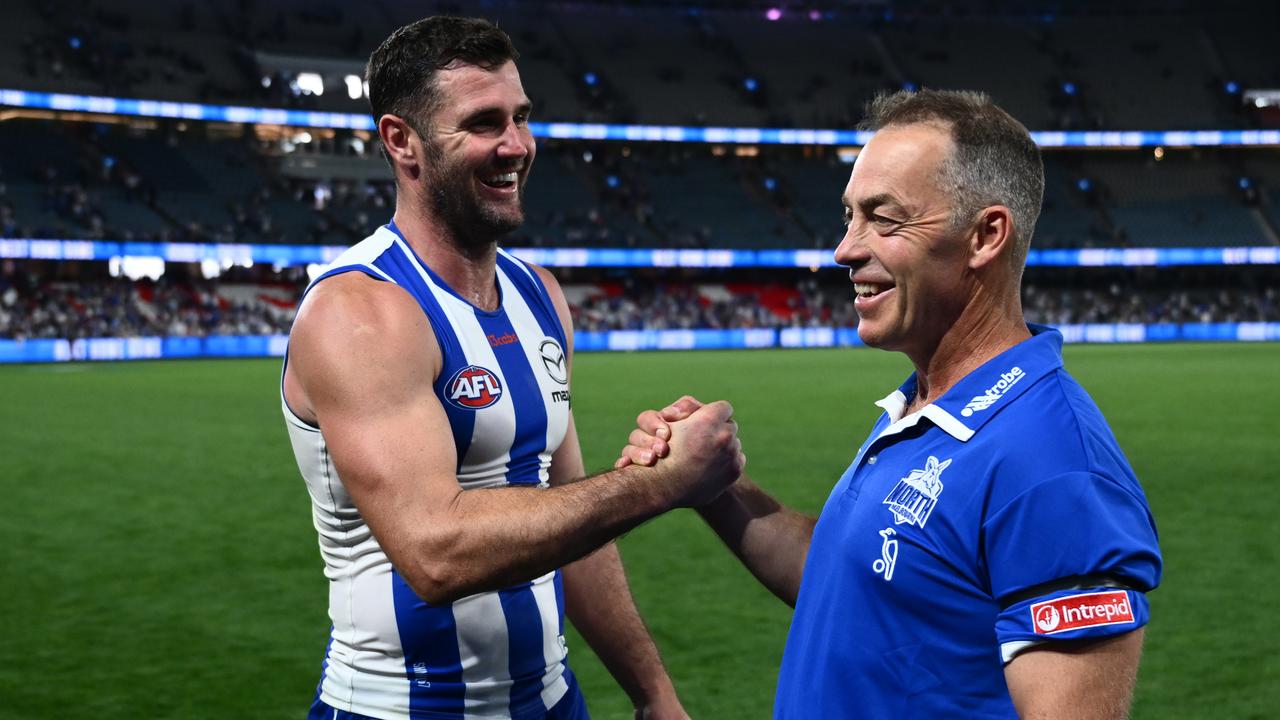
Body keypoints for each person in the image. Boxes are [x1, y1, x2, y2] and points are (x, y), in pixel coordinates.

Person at [619, 90, 1162, 718]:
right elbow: (862, 580)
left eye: (884, 218)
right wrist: (713, 487)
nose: (845, 249)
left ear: (985, 235)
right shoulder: (928, 403)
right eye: (849, 216)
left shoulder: (1055, 467)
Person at [281, 16, 744, 720]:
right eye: (484, 123)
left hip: (554, 701)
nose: (517, 146)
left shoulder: (540, 295)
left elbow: (571, 519)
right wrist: (656, 486)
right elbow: (436, 553)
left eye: (522, 117)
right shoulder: (361, 312)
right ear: (401, 141)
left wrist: (654, 694)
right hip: (401, 709)